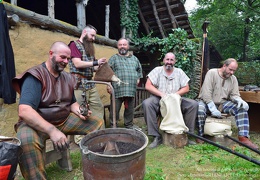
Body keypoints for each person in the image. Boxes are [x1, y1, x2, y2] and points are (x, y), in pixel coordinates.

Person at [12, 41, 103, 179]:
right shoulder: (35, 75)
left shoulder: (67, 77)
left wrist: (80, 111)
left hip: (63, 120)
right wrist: (52, 130)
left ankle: (97, 166)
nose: (66, 61)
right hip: (36, 124)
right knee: (25, 139)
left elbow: (71, 103)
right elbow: (24, 111)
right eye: (62, 57)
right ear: (51, 54)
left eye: (68, 58)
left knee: (97, 123)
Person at [197, 58, 258, 149]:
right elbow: (206, 92)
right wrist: (212, 107)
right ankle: (200, 135)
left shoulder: (233, 79)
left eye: (234, 70)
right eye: (230, 69)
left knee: (241, 109)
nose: (232, 72)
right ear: (224, 66)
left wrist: (239, 100)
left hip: (222, 103)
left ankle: (243, 137)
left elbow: (234, 94)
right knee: (200, 109)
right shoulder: (212, 73)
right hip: (206, 101)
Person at [142, 52, 198, 149]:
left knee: (193, 104)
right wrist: (162, 94)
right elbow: (148, 85)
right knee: (147, 103)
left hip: (176, 99)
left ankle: (188, 134)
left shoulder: (179, 72)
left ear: (175, 61)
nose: (169, 62)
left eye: (171, 60)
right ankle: (156, 136)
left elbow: (186, 88)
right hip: (159, 98)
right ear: (163, 60)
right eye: (167, 59)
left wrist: (175, 95)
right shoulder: (157, 70)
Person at [68, 24, 106, 124]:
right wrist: (95, 63)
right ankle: (79, 139)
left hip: (90, 83)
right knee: (80, 111)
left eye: (94, 36)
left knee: (98, 107)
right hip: (78, 84)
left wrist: (100, 66)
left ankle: (98, 134)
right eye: (92, 35)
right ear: (84, 32)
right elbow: (77, 63)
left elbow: (93, 68)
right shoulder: (74, 45)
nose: (93, 38)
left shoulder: (89, 48)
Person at [107, 38, 143, 128]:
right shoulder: (113, 58)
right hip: (117, 88)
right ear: (117, 46)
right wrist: (108, 85)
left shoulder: (135, 59)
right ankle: (113, 126)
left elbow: (139, 70)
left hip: (131, 89)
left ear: (128, 46)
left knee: (129, 109)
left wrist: (138, 78)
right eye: (120, 45)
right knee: (115, 109)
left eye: (124, 44)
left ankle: (129, 125)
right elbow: (107, 72)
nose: (122, 46)